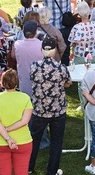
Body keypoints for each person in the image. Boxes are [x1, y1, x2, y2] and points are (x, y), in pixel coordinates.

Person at [27, 36, 70, 175]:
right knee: (56, 142)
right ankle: (52, 171)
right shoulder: (61, 68)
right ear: (55, 50)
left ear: (42, 49)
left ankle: (28, 167)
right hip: (58, 111)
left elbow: (32, 79)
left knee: (33, 140)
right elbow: (68, 83)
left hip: (39, 110)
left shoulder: (34, 66)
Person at [0, 70, 34, 175]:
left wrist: (7, 136)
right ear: (17, 82)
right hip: (23, 141)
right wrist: (8, 131)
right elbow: (24, 121)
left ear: (2, 82)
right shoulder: (25, 98)